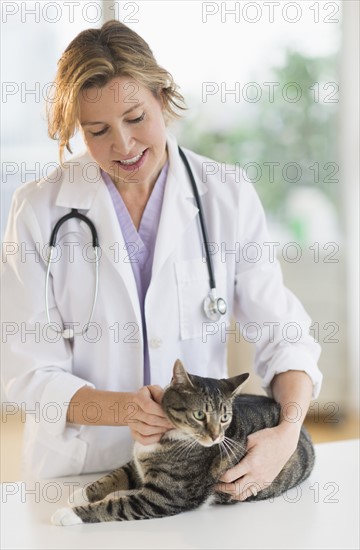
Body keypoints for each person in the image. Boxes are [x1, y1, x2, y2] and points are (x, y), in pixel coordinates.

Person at [1, 20, 322, 501]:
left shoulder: (225, 194)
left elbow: (283, 334)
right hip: (78, 473)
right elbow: (26, 372)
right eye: (97, 130)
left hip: (193, 476)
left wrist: (287, 433)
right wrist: (121, 410)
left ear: (162, 96)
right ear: (76, 129)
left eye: (135, 118)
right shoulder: (39, 210)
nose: (123, 146)